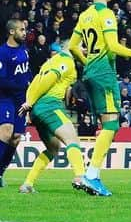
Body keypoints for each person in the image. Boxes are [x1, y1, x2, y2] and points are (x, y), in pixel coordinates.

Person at [69, 0, 131, 197]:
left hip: (91, 72)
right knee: (111, 126)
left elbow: (73, 46)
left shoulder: (86, 15)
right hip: (104, 74)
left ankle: (91, 174)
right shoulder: (106, 14)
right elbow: (112, 46)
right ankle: (92, 175)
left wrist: (88, 63)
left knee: (107, 124)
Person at [16, 39, 94, 195]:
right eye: (82, 46)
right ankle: (80, 176)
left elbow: (35, 82)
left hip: (38, 109)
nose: (85, 50)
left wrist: (30, 103)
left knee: (53, 148)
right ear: (69, 46)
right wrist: (29, 102)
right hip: (50, 105)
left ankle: (28, 184)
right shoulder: (66, 61)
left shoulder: (51, 61)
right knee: (72, 139)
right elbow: (48, 79)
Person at [0, 19, 32, 186]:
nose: (24, 32)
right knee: (6, 132)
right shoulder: (2, 53)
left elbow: (27, 72)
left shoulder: (24, 51)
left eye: (24, 29)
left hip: (21, 100)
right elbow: (1, 79)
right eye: (21, 29)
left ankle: (1, 171)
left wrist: (31, 85)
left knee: (16, 138)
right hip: (5, 98)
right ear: (12, 32)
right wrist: (21, 85)